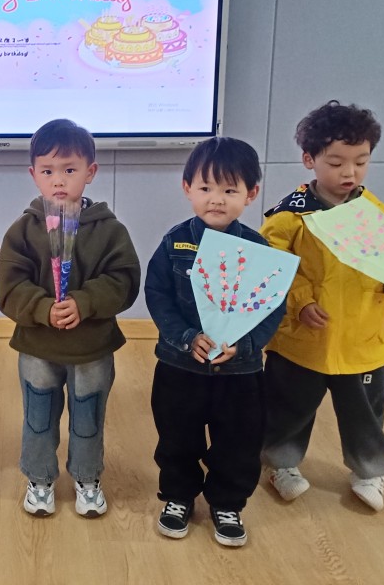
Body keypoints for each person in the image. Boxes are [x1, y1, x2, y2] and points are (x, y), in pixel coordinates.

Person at [260, 100, 384, 512]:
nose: (349, 173)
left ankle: (371, 469)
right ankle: (280, 463)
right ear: (310, 159)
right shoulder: (289, 216)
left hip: (361, 342)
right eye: (336, 162)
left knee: (365, 413)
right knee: (288, 407)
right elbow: (270, 268)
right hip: (301, 341)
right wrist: (301, 302)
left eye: (361, 162)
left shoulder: (379, 216)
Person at [145, 137, 284, 548]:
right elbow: (158, 296)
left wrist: (246, 345)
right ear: (187, 188)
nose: (217, 199)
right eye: (205, 188)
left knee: (239, 441)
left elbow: (272, 306)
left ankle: (227, 503)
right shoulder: (174, 244)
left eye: (229, 190)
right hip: (179, 367)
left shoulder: (258, 249)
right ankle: (178, 496)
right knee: (177, 437)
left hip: (240, 373)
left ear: (250, 194)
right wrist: (186, 337)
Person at [0, 118, 141, 518]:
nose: (58, 180)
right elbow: (9, 288)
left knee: (88, 416)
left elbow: (124, 280)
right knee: (38, 415)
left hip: (92, 349)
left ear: (90, 172)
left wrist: (84, 303)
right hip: (37, 346)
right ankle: (39, 478)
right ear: (33, 175)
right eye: (47, 171)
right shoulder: (23, 230)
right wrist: (43, 309)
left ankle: (87, 477)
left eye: (70, 169)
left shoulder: (110, 230)